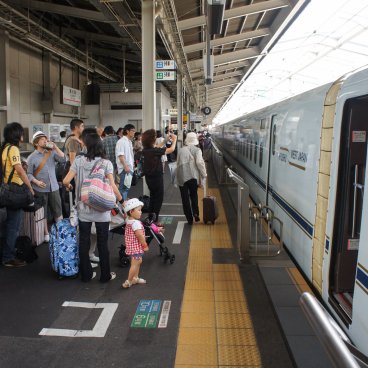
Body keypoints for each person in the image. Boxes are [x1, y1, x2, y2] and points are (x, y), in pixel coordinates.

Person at [63, 133, 123, 282]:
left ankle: (87, 275)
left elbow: (65, 180)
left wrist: (69, 185)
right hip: (102, 209)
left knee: (84, 241)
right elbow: (112, 185)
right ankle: (105, 275)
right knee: (103, 243)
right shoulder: (106, 163)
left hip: (84, 208)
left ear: (87, 145)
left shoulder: (78, 161)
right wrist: (122, 200)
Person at [1, 122, 35, 267]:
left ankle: (9, 253)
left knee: (10, 224)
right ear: (17, 135)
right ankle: (8, 257)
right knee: (14, 226)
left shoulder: (4, 148)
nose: (23, 136)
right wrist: (30, 187)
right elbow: (19, 170)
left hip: (7, 190)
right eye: (21, 133)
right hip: (15, 191)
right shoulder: (13, 149)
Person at [27, 131, 65, 242]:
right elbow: (28, 174)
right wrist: (36, 182)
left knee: (58, 211)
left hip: (54, 187)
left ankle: (61, 232)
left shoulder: (51, 153)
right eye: (43, 139)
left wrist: (56, 147)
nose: (46, 141)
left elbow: (63, 160)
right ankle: (46, 233)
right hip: (39, 189)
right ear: (36, 143)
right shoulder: (32, 157)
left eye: (46, 139)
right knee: (42, 212)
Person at [141, 129, 177, 222]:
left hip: (149, 178)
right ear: (152, 139)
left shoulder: (146, 150)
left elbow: (157, 147)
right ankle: (154, 219)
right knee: (158, 199)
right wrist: (175, 139)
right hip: (157, 178)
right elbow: (171, 149)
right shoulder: (154, 151)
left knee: (153, 197)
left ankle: (150, 218)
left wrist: (165, 141)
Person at [176, 132, 207, 224]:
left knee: (184, 198)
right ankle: (196, 213)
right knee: (194, 195)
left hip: (182, 176)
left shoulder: (181, 150)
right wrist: (204, 174)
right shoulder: (197, 150)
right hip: (193, 176)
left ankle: (189, 218)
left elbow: (177, 163)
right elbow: (199, 163)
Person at [121, 198, 149, 288]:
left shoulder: (128, 220)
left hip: (131, 246)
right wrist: (145, 245)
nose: (141, 212)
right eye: (139, 210)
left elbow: (126, 215)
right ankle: (129, 281)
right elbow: (140, 236)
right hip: (136, 246)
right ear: (131, 211)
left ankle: (135, 278)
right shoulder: (136, 223)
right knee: (135, 263)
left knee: (138, 261)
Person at [116, 124, 135, 200]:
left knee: (126, 188)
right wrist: (125, 166)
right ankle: (122, 207)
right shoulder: (121, 141)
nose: (134, 132)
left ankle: (123, 205)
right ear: (127, 131)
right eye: (132, 131)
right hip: (125, 169)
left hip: (128, 168)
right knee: (123, 189)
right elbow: (121, 155)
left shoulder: (128, 141)